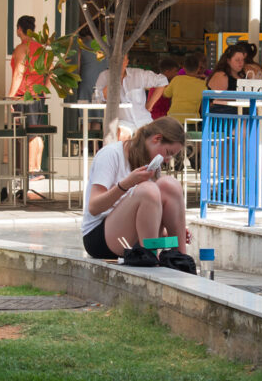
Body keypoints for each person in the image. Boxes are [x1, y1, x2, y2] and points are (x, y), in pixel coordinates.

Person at [81, 116, 188, 259]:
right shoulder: (111, 155)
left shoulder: (151, 164)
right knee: (148, 190)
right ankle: (150, 258)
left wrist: (175, 230)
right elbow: (94, 207)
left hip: (131, 238)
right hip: (99, 237)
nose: (167, 160)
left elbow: (144, 220)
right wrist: (126, 184)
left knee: (170, 185)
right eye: (168, 153)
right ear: (156, 138)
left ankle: (180, 259)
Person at [9, 15, 49, 179]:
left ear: (19, 29)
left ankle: (31, 171)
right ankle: (37, 168)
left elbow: (18, 73)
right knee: (37, 132)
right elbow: (50, 72)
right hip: (38, 95)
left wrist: (10, 97)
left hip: (25, 95)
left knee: (30, 133)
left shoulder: (22, 48)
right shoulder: (40, 48)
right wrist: (44, 90)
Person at [94, 55, 167, 140]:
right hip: (122, 121)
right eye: (116, 60)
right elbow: (99, 98)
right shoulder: (104, 76)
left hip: (143, 119)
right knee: (121, 135)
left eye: (122, 60)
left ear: (127, 62)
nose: (119, 63)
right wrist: (114, 79)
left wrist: (149, 105)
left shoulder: (138, 74)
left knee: (158, 142)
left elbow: (162, 80)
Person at [163, 53, 207, 124]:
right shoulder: (203, 84)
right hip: (192, 121)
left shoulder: (176, 79)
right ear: (198, 68)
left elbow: (166, 94)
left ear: (184, 68)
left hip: (173, 119)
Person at [206, 43, 249, 115]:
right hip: (223, 114)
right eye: (237, 60)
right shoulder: (221, 75)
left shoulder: (242, 75)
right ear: (228, 61)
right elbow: (219, 98)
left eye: (242, 60)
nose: (241, 63)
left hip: (239, 112)